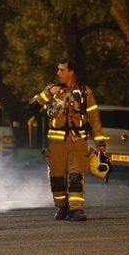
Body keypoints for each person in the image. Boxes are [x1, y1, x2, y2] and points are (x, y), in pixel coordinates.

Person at [30, 59, 107, 222]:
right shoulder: (51, 90)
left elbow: (94, 118)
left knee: (75, 177)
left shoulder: (86, 92)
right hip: (56, 144)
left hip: (78, 141)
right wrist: (48, 95)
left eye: (62, 70)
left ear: (71, 72)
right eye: (58, 69)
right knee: (57, 179)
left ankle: (76, 210)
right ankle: (61, 207)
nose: (58, 73)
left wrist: (100, 141)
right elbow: (31, 108)